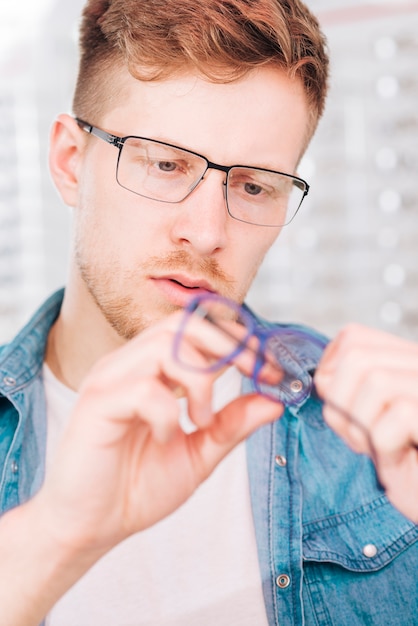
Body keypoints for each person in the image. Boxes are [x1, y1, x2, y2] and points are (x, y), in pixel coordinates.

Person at [0, 0, 417, 625]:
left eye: (253, 186)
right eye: (166, 164)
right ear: (70, 163)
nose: (207, 231)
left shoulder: (375, 439)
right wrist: (54, 535)